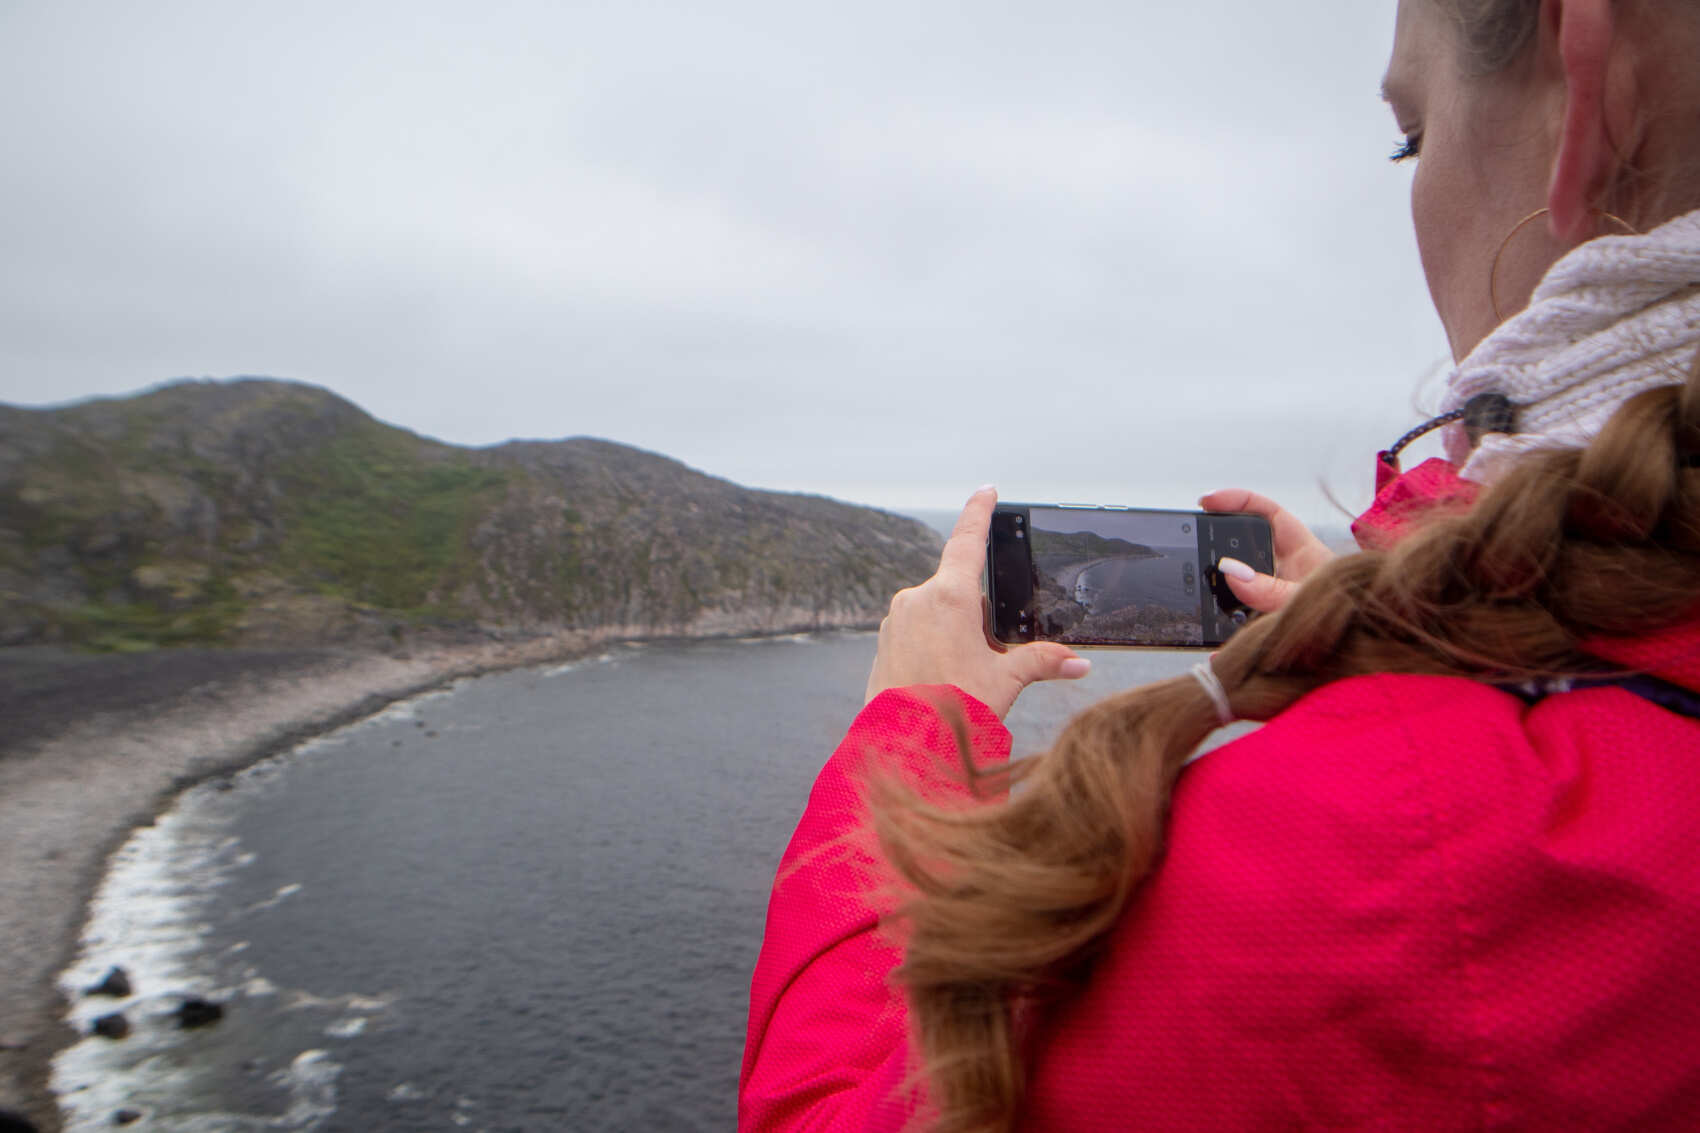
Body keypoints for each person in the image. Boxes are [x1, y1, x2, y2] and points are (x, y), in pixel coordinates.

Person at [742, 0, 1700, 1128]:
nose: (1416, 189)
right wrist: (1405, 610)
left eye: (1412, 134)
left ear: (1583, 73)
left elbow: (838, 1104)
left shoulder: (1393, 866)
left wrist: (912, 727)